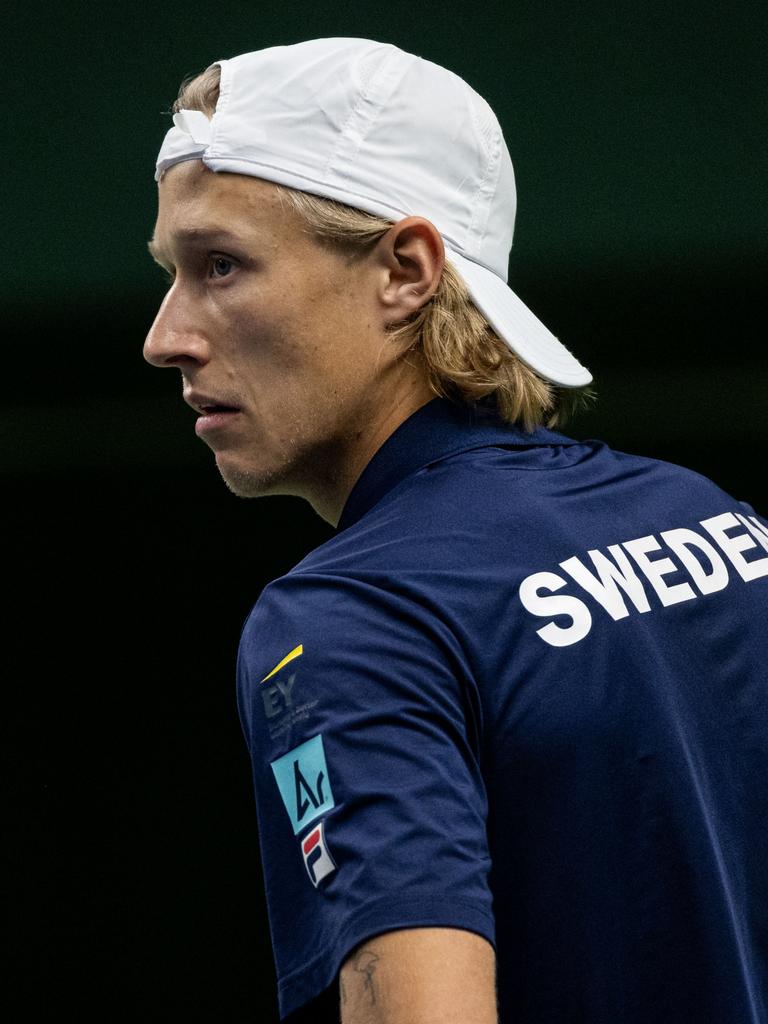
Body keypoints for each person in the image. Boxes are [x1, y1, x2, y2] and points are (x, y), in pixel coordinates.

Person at [143, 37, 768, 1024]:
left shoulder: (348, 621)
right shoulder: (720, 523)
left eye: (220, 265)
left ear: (406, 269)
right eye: (173, 272)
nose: (164, 336)